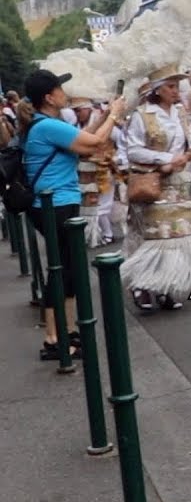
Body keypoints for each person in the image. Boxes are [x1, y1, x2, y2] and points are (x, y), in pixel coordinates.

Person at [20, 68, 124, 360]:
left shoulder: (45, 124)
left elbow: (83, 140)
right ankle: (55, 338)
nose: (66, 93)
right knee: (62, 269)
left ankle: (66, 330)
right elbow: (93, 144)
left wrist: (104, 116)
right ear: (49, 97)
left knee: (67, 269)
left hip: (57, 203)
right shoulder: (46, 126)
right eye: (60, 89)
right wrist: (115, 114)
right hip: (54, 205)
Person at [121, 63, 191, 311]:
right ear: (158, 90)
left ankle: (165, 285)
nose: (176, 91)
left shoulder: (180, 112)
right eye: (171, 86)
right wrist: (165, 160)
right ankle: (141, 284)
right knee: (151, 236)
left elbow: (187, 144)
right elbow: (133, 150)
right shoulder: (142, 115)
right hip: (152, 182)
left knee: (174, 234)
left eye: (177, 86)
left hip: (177, 182)